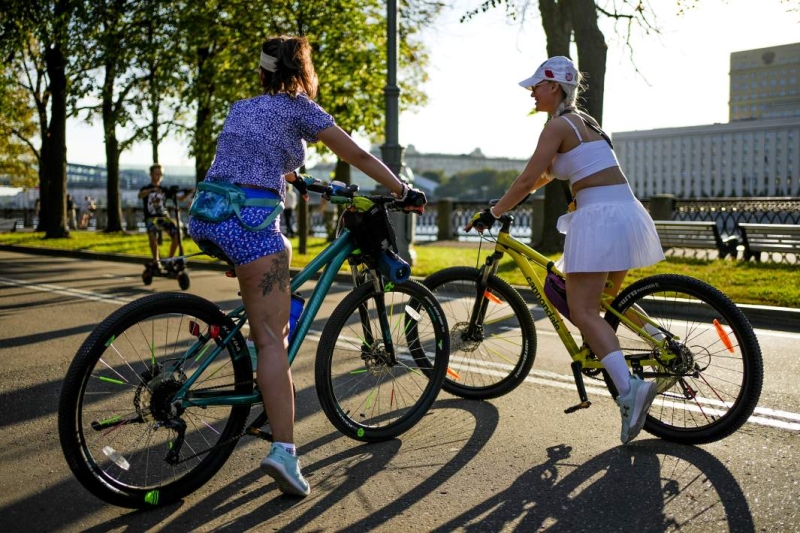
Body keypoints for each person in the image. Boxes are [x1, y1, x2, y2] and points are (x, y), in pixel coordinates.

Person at [187, 35, 426, 497]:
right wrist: (400, 189)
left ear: (262, 71)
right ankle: (284, 452)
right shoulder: (299, 107)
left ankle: (255, 364)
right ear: (301, 69)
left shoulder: (243, 108)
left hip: (208, 215)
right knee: (274, 340)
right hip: (249, 224)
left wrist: (310, 183)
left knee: (265, 306)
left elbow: (267, 164)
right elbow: (355, 154)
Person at [465, 56, 665, 445]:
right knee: (607, 303)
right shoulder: (588, 124)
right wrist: (508, 200)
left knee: (584, 310)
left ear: (553, 87)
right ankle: (665, 346)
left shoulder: (557, 125)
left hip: (600, 217)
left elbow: (526, 177)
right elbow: (541, 177)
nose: (531, 92)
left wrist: (492, 212)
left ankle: (630, 391)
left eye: (536, 85)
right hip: (626, 211)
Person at [138, 164, 191, 266]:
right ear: (151, 174)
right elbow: (140, 195)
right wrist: (152, 190)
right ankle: (156, 261)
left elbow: (180, 199)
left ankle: (169, 260)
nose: (158, 176)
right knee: (152, 234)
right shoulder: (146, 188)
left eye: (160, 174)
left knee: (178, 233)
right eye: (156, 173)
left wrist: (187, 193)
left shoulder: (164, 189)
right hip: (151, 218)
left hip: (163, 217)